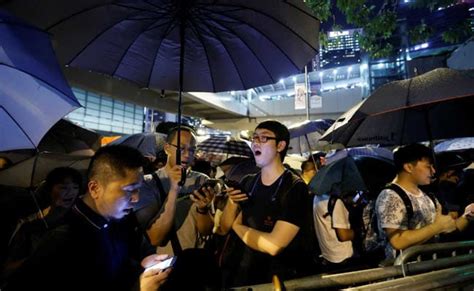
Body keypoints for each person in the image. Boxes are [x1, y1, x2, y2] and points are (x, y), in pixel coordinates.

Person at [3, 145, 160, 291]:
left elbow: (113, 271)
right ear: (94, 188)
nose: (136, 198)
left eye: (138, 189)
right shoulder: (64, 238)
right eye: (130, 190)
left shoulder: (114, 223)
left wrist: (141, 267)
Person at [218, 120, 313, 286]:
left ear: (280, 146)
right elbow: (222, 228)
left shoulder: (294, 188)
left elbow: (273, 245)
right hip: (239, 274)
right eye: (254, 138)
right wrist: (232, 203)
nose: (256, 142)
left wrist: (238, 226)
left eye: (263, 138)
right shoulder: (248, 182)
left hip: (274, 280)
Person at [375, 144, 473, 261]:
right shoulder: (390, 196)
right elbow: (398, 240)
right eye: (428, 166)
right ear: (409, 167)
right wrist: (436, 227)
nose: (433, 171)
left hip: (430, 267)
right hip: (406, 272)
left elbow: (448, 228)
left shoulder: (428, 195)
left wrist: (468, 215)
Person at [135, 126, 215, 255]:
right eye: (181, 148)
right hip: (163, 262)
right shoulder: (149, 183)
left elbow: (206, 231)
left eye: (192, 150)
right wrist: (173, 190)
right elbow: (155, 238)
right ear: (167, 148)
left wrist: (203, 209)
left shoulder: (201, 180)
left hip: (195, 259)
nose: (187, 154)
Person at [2, 167, 82, 279]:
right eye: (63, 187)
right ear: (50, 189)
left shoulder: (78, 219)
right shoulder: (30, 222)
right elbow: (7, 269)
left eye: (75, 187)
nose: (71, 192)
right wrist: (38, 256)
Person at [313, 192, 355, 270]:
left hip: (328, 255)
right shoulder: (336, 202)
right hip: (342, 256)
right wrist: (359, 232)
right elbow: (343, 236)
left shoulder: (317, 198)